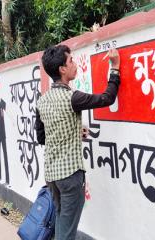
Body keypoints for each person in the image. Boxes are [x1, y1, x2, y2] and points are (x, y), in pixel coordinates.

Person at [35, 45, 121, 240]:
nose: (75, 64)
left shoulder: (43, 100)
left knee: (60, 222)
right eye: (71, 61)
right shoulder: (72, 98)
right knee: (66, 233)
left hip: (52, 177)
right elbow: (107, 98)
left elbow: (42, 137)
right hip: (70, 177)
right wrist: (115, 67)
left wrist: (73, 132)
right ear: (62, 70)